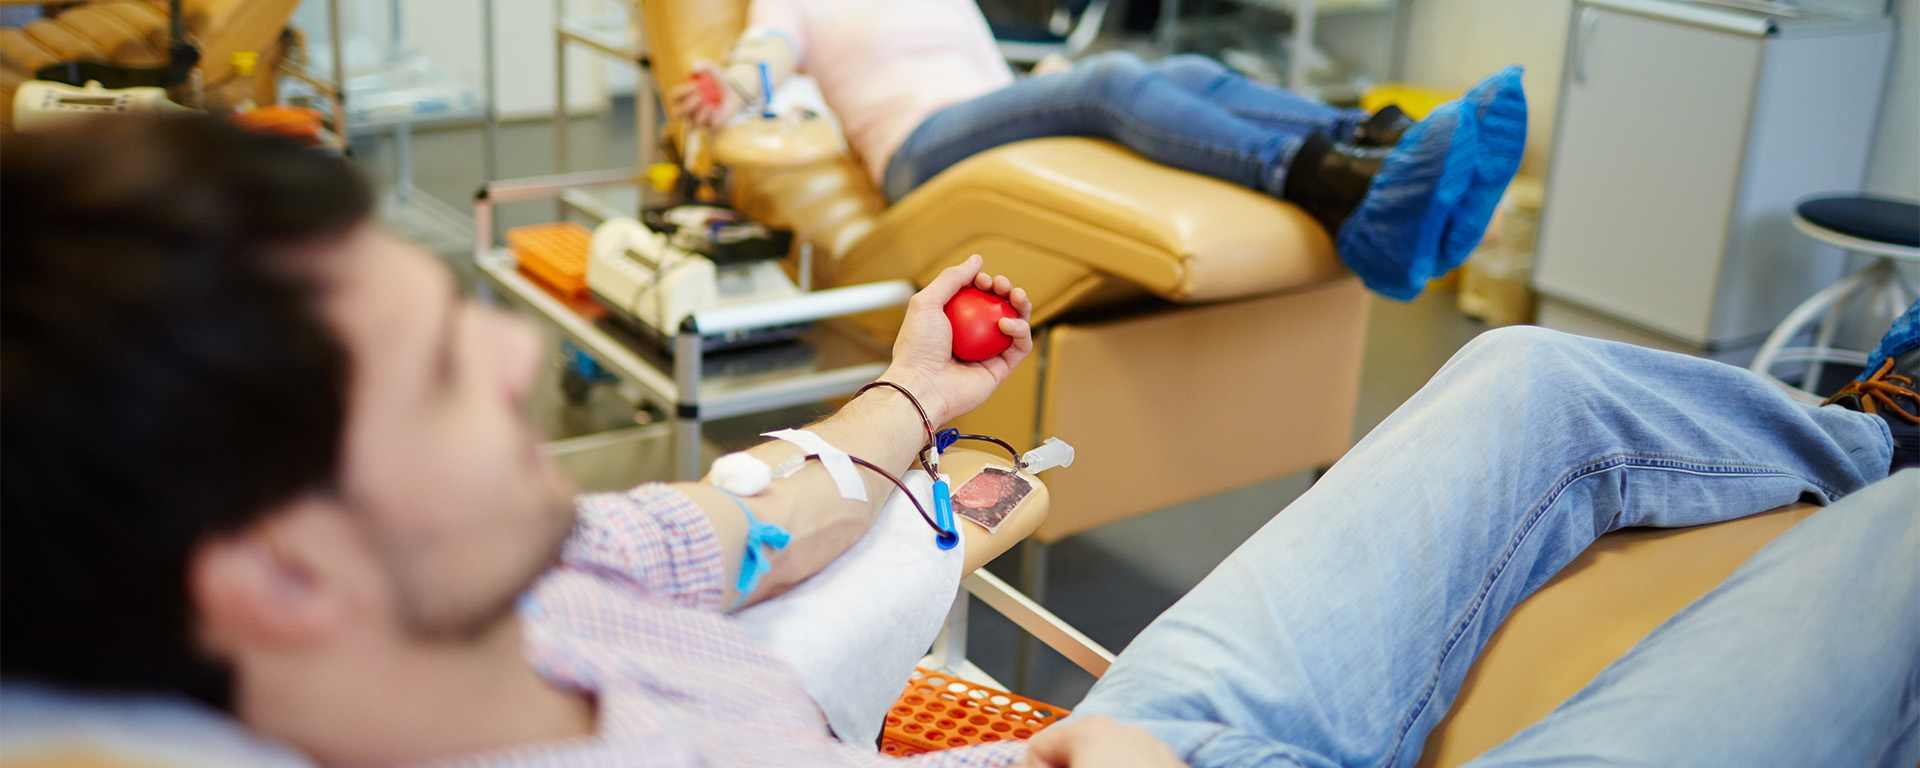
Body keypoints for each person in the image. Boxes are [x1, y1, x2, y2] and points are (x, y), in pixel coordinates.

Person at [2, 116, 1915, 768]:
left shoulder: (541, 575)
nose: (516, 382)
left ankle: (1864, 422)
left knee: (1533, 384)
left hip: (1129, 751)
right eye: (437, 383)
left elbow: (731, 528)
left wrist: (913, 395)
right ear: (278, 570)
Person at [665, 0, 1528, 301]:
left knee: (1180, 66)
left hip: (986, 114)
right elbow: (765, 52)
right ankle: (1331, 181)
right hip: (920, 156)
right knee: (1112, 82)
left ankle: (1371, 151)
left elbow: (991, 68)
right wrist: (730, 86)